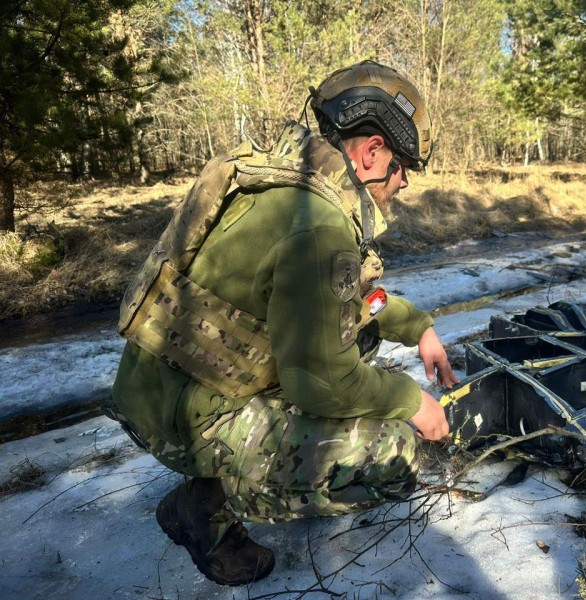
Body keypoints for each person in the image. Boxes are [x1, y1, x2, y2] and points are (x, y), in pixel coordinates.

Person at [105, 60, 458, 587]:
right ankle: (207, 505)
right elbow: (323, 383)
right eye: (405, 165)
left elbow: (362, 303)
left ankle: (216, 473)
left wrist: (419, 328)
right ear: (372, 151)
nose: (404, 182)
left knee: (357, 341)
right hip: (184, 419)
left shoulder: (286, 185)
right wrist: (414, 403)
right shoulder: (319, 228)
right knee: (394, 454)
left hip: (164, 388)